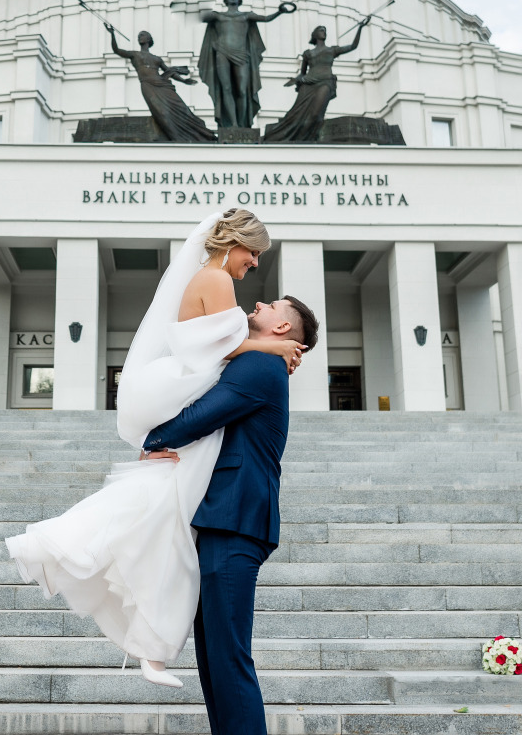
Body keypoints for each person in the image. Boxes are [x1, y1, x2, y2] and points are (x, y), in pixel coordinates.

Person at [5, 209, 306, 687]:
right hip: (183, 384)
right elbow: (226, 346)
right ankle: (142, 634)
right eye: (254, 254)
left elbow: (226, 348)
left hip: (189, 402)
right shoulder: (218, 282)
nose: (254, 267)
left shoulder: (215, 284)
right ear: (236, 243)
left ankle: (144, 637)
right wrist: (273, 349)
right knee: (160, 514)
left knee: (156, 510)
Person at [144, 294, 319, 734]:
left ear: (282, 329)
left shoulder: (260, 367)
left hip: (236, 519)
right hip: (226, 518)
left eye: (273, 305)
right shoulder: (260, 358)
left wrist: (153, 438)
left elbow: (203, 416)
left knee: (228, 657)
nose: (259, 302)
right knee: (216, 659)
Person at [198, 0, 296, 129]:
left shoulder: (246, 15)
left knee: (242, 91)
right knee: (226, 88)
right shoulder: (218, 16)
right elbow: (202, 18)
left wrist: (279, 12)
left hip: (242, 55)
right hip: (222, 53)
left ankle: (243, 123)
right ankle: (233, 124)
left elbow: (266, 18)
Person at [265, 16, 371, 143]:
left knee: (316, 114)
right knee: (297, 114)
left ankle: (309, 137)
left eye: (324, 30)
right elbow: (302, 73)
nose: (323, 31)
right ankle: (299, 140)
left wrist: (360, 28)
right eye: (321, 30)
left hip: (325, 82)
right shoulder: (308, 53)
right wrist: (296, 80)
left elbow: (353, 46)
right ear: (314, 35)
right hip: (308, 84)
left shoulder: (332, 50)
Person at [104, 23, 215, 142]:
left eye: (143, 35)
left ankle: (196, 135)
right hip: (148, 84)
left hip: (162, 84)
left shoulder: (157, 59)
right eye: (139, 35)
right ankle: (176, 137)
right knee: (161, 112)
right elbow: (117, 50)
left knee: (181, 108)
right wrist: (112, 35)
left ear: (148, 39)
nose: (140, 36)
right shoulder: (134, 54)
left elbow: (169, 71)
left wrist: (184, 80)